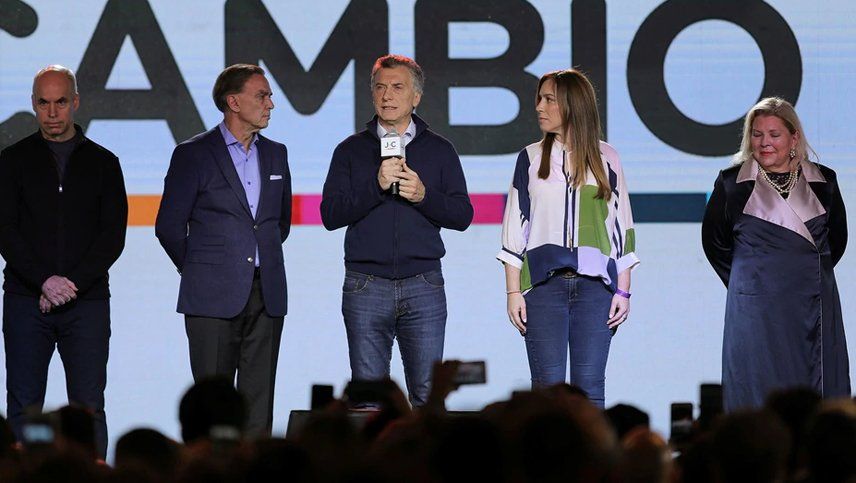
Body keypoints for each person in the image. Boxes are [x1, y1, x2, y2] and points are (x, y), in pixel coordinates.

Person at [320, 54, 473, 406]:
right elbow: (330, 214)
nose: (387, 95)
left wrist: (423, 196)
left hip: (423, 285)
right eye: (380, 87)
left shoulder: (440, 150)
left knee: (428, 396)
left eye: (397, 87)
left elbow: (462, 215)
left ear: (416, 96)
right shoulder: (350, 150)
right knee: (368, 399)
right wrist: (375, 186)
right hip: (365, 285)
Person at [155, 64, 291, 437]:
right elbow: (169, 227)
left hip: (267, 294)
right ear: (233, 102)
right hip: (210, 297)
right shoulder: (193, 154)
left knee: (259, 408)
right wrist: (200, 270)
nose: (270, 104)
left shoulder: (277, 154)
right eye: (262, 95)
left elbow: (279, 224)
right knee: (212, 408)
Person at [0, 65, 127, 459]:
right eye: (44, 103)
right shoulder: (12, 160)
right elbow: (5, 230)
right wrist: (44, 281)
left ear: (75, 102)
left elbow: (112, 237)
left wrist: (69, 285)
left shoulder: (104, 163)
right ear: (33, 104)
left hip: (86, 303)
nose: (52, 113)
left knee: (88, 409)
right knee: (24, 407)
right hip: (26, 300)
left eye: (60, 102)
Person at [497, 69, 638, 408]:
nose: (539, 107)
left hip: (596, 289)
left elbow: (622, 227)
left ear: (573, 104)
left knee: (590, 392)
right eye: (540, 98)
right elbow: (514, 230)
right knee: (547, 396)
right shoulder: (529, 157)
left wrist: (623, 290)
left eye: (549, 99)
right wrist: (513, 292)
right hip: (543, 287)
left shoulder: (608, 157)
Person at [702, 97, 850, 411]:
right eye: (757, 134)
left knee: (813, 393)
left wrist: (803, 272)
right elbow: (715, 243)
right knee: (756, 385)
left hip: (811, 303)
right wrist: (750, 280)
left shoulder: (824, 182)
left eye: (774, 134)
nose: (764, 142)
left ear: (794, 138)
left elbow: (836, 240)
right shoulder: (731, 184)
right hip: (755, 307)